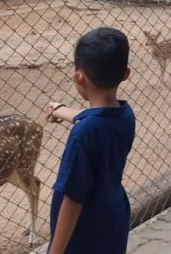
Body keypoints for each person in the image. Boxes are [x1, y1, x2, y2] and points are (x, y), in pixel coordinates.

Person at [43, 27, 137, 254]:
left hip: (84, 234)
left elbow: (72, 200)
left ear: (79, 77)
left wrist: (55, 252)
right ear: (125, 74)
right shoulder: (125, 114)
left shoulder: (83, 134)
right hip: (113, 219)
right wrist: (60, 110)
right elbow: (93, 118)